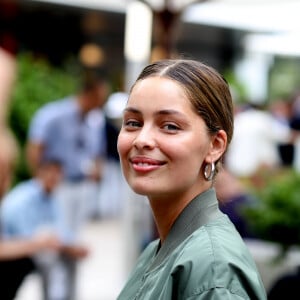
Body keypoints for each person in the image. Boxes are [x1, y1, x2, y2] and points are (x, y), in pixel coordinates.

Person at [116, 59, 267, 299]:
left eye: (170, 126)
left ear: (215, 146)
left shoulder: (213, 268)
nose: (142, 139)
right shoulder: (156, 251)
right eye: (133, 123)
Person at [26, 69, 110, 234]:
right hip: (58, 185)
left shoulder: (94, 121)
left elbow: (97, 152)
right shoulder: (53, 115)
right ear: (88, 94)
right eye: (99, 98)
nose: (101, 103)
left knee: (74, 235)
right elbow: (35, 147)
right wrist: (39, 181)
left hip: (83, 185)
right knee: (57, 235)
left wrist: (97, 171)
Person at [0, 159, 89, 300]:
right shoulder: (23, 198)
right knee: (48, 256)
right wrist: (52, 242)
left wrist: (72, 245)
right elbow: (26, 236)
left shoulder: (51, 197)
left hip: (33, 245)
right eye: (51, 173)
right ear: (40, 173)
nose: (54, 177)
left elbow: (59, 229)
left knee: (71, 256)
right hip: (18, 250)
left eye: (58, 173)